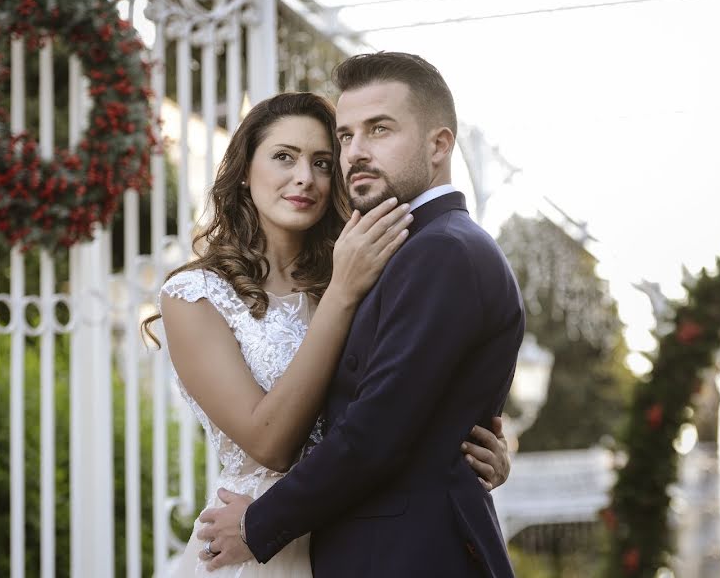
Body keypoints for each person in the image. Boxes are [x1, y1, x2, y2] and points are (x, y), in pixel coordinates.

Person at [144, 91, 510, 577]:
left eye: (322, 162)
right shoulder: (193, 296)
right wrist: (341, 293)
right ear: (243, 171)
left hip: (364, 535)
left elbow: (398, 404)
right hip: (256, 542)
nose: (305, 178)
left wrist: (475, 452)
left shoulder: (368, 271)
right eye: (283, 158)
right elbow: (269, 443)